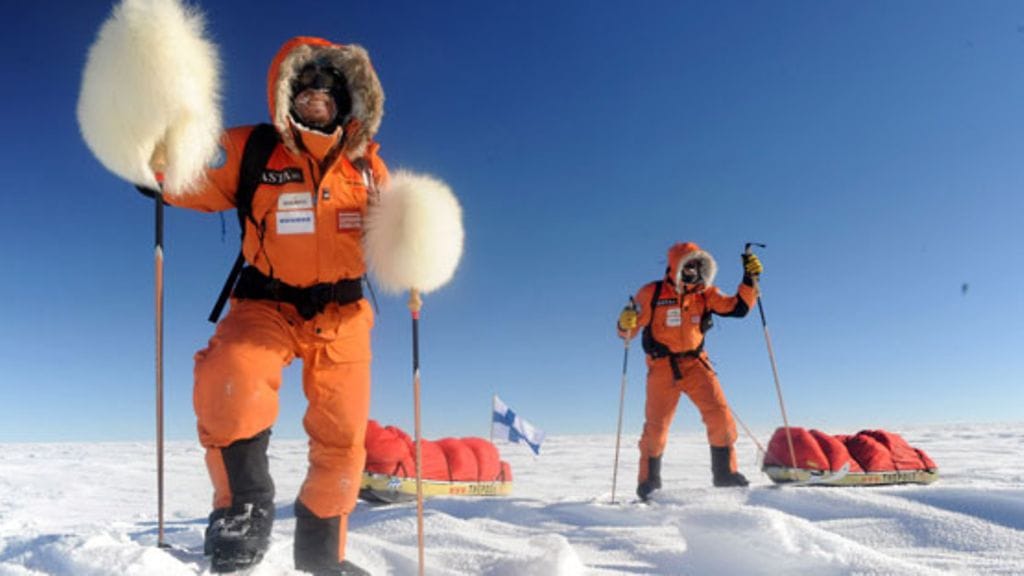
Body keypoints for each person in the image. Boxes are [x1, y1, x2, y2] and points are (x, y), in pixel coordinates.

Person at [158, 36, 386, 575]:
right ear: (286, 95)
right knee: (229, 378)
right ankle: (243, 509)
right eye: (304, 90)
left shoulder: (371, 172)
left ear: (349, 101)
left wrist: (422, 255)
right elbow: (186, 174)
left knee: (343, 437)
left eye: (328, 92)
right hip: (266, 304)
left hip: (344, 315)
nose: (315, 99)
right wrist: (156, 158)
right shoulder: (251, 151)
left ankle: (321, 556)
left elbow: (404, 237)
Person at [617, 242, 763, 500]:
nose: (694, 271)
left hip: (697, 364)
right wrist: (624, 322)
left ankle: (725, 475)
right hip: (661, 367)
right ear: (676, 266)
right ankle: (649, 483)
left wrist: (749, 278)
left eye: (698, 266)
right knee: (656, 429)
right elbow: (627, 331)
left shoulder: (705, 295)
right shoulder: (652, 293)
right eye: (689, 265)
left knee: (720, 417)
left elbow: (738, 308)